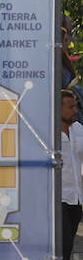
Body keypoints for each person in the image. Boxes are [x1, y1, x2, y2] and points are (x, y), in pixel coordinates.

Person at [63, 89, 83, 260]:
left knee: (68, 249)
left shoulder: (78, 128)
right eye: (70, 107)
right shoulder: (48, 132)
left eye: (75, 107)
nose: (75, 111)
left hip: (76, 199)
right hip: (57, 198)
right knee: (64, 244)